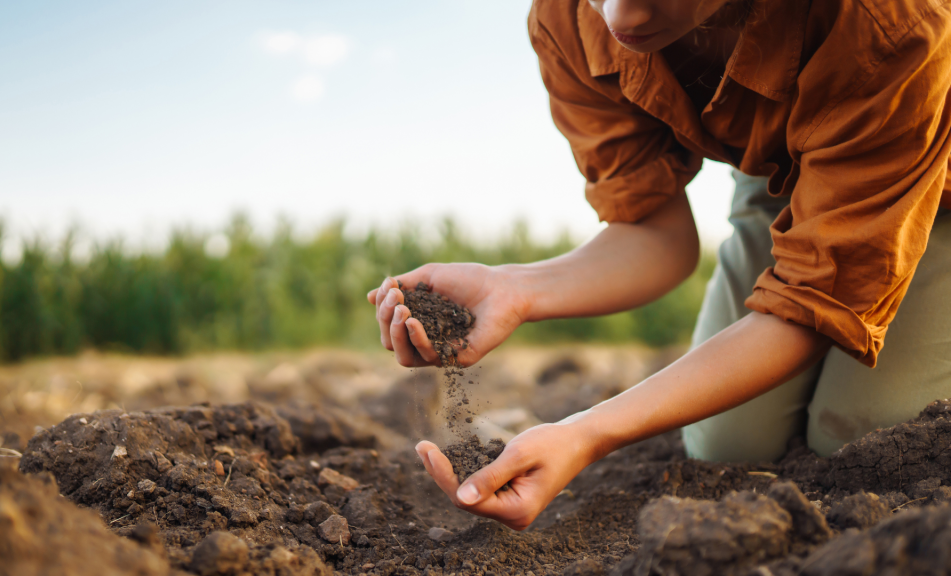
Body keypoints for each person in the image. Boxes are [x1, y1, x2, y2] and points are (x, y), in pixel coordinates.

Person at [368, 0, 951, 531]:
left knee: (863, 439)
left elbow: (812, 303)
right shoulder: (568, 17)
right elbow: (655, 234)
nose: (621, 16)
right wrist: (515, 287)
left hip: (929, 171)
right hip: (788, 172)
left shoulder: (890, 20)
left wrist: (587, 433)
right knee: (729, 445)